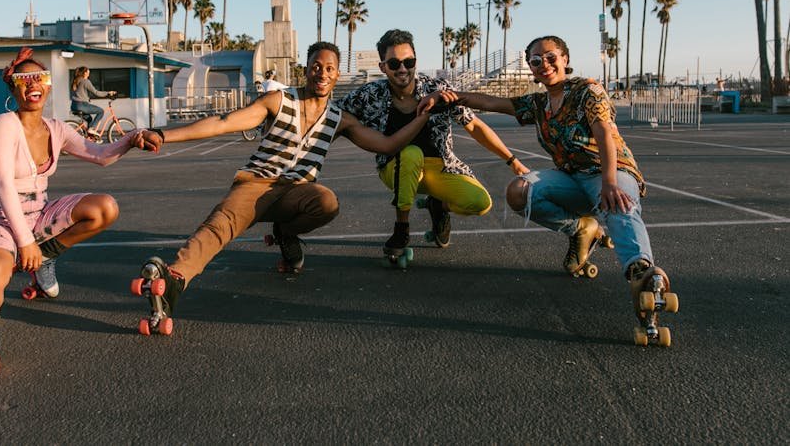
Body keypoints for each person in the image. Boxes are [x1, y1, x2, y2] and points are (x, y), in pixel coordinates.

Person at [134, 42, 444, 329]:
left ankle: (286, 232)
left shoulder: (339, 118)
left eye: (329, 68)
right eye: (316, 66)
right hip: (257, 182)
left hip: (296, 192)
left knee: (326, 202)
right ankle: (175, 279)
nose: (322, 72)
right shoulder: (278, 100)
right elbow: (224, 122)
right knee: (220, 225)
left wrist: (423, 115)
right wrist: (163, 135)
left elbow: (388, 145)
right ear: (306, 70)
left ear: (337, 75)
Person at [420, 35, 676, 335]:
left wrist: (608, 182)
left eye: (551, 57)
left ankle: (641, 272)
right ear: (531, 68)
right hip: (569, 177)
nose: (545, 64)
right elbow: (490, 102)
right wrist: (446, 96)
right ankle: (582, 229)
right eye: (536, 61)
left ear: (565, 59)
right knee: (519, 192)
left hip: (609, 170)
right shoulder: (538, 103)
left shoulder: (587, 91)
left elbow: (604, 133)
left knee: (618, 205)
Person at [0, 47, 161, 365]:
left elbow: (100, 155)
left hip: (40, 212)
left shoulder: (56, 128)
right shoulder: (3, 125)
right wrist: (24, 241)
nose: (33, 82)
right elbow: (3, 184)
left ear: (49, 86)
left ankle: (45, 259)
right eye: (24, 78)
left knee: (105, 207)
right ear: (13, 87)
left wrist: (132, 138)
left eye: (40, 76)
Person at [336, 29, 527, 260]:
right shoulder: (369, 94)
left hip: (441, 167)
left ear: (416, 61)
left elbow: (474, 126)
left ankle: (438, 207)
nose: (403, 68)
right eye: (394, 63)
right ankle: (401, 229)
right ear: (383, 67)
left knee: (479, 202)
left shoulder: (437, 89)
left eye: (409, 61)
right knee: (411, 153)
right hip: (395, 168)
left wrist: (512, 160)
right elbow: (332, 116)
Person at [71, 65, 116, 134]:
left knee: (89, 119)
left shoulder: (77, 81)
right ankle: (91, 129)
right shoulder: (85, 81)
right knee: (101, 111)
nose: (89, 72)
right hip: (82, 105)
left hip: (74, 105)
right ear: (85, 73)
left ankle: (89, 136)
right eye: (88, 71)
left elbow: (81, 93)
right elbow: (96, 93)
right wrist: (108, 93)